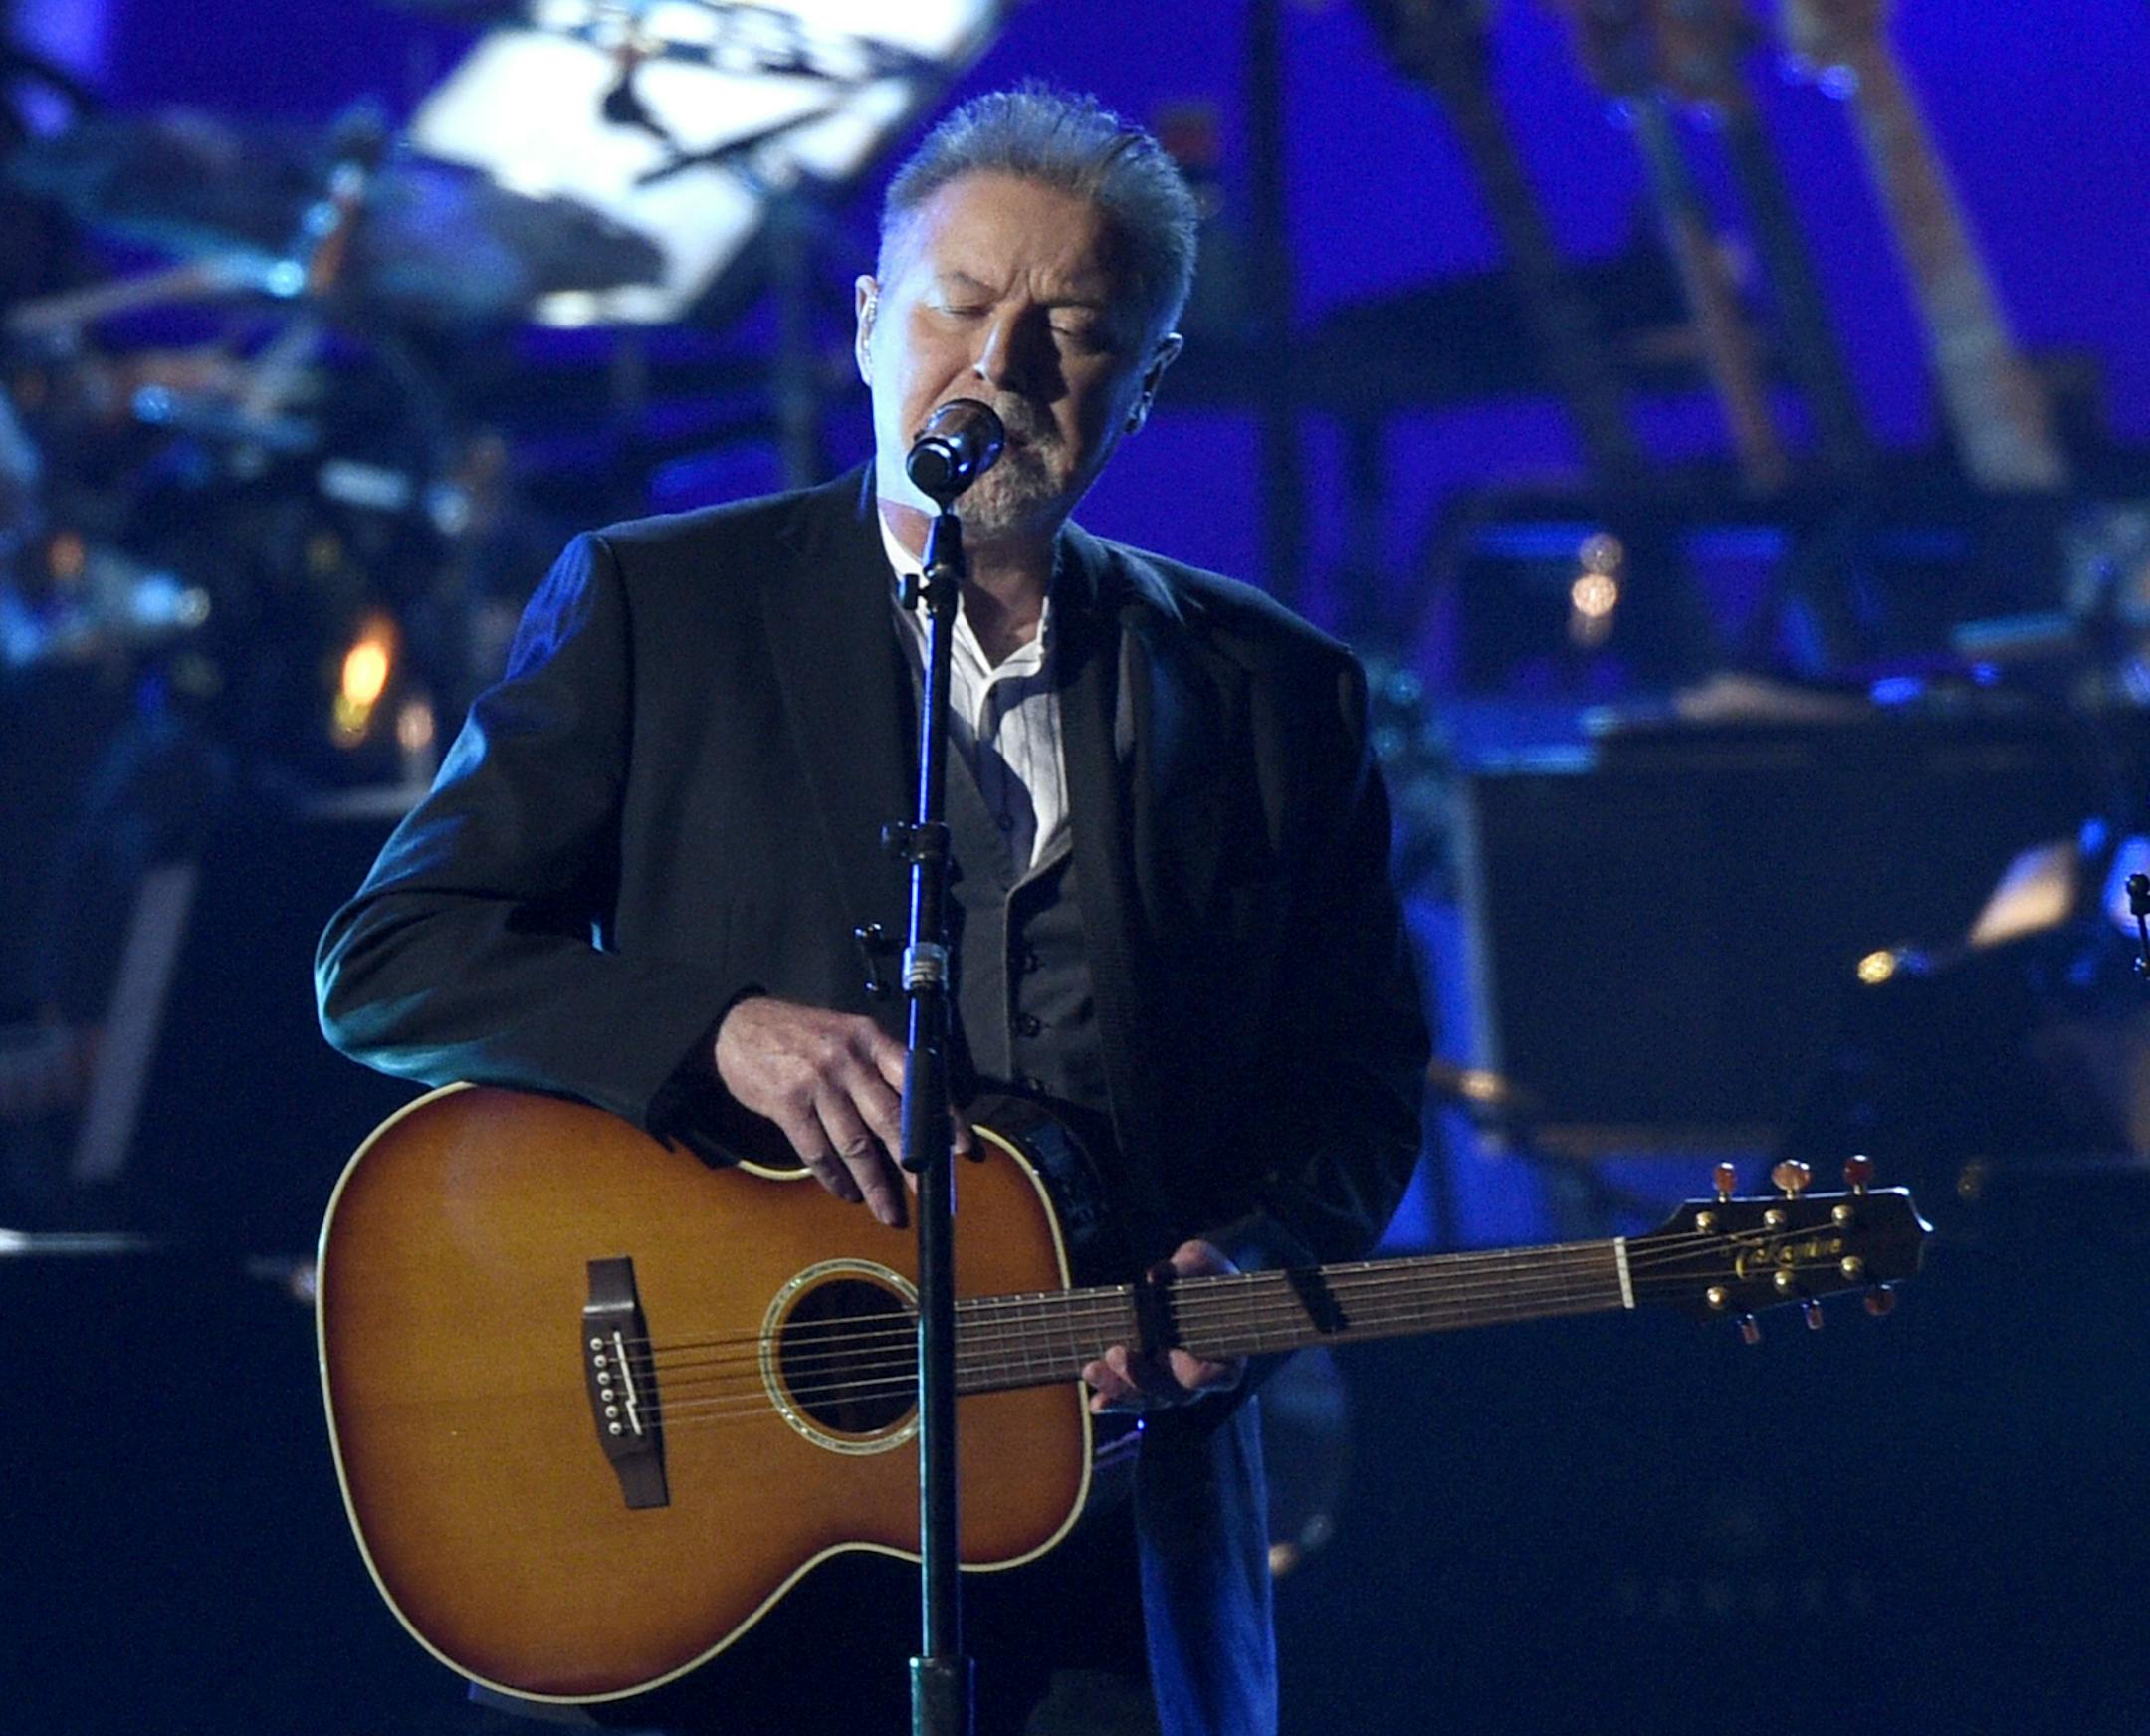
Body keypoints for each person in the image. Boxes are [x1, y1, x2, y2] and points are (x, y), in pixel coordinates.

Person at [317, 84, 1427, 1736]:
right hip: (733, 1541)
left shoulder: (1276, 691)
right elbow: (387, 961)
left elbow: (1357, 1089)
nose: (1005, 366)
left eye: (1073, 326)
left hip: (1109, 1544)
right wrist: (716, 1035)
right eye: (963, 305)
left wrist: (1252, 1268)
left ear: (1147, 383)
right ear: (867, 323)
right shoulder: (661, 603)